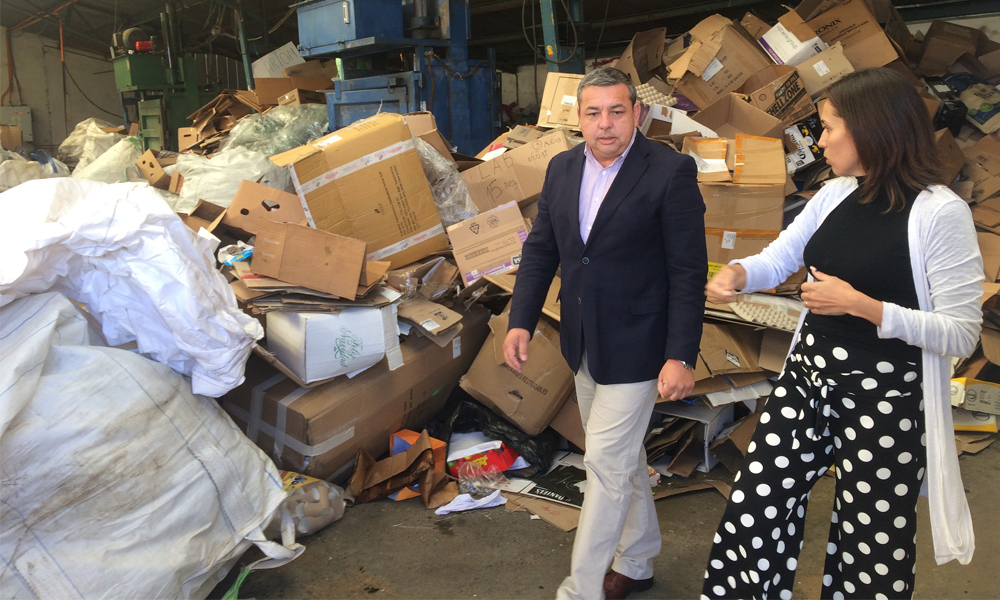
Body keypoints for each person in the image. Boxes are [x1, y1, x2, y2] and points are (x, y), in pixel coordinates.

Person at [701, 67, 983, 600]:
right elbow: (780, 257)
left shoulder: (940, 214)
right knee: (755, 507)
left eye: (829, 127)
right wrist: (738, 273)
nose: (821, 141)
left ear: (871, 130)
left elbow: (962, 333)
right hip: (808, 379)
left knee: (871, 538)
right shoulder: (834, 194)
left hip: (887, 396)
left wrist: (864, 307)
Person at [503, 66, 707, 600]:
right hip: (584, 341)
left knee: (605, 465)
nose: (605, 123)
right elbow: (541, 249)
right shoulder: (562, 167)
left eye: (617, 111)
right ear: (578, 117)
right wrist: (520, 319)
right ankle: (637, 561)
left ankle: (582, 589)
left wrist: (682, 355)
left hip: (641, 344)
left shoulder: (670, 171)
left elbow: (688, 271)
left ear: (637, 113)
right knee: (621, 457)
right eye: (593, 113)